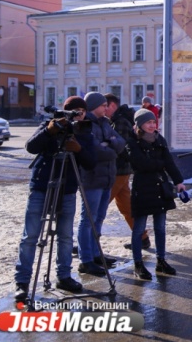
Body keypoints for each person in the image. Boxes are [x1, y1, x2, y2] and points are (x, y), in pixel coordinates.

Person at [14, 96, 98, 303]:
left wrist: (78, 149)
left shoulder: (84, 130)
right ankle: (22, 282)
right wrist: (50, 131)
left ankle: (64, 277)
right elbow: (31, 147)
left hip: (67, 189)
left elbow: (90, 163)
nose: (79, 115)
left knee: (65, 237)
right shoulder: (49, 125)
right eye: (75, 111)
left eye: (82, 111)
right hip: (42, 186)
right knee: (30, 236)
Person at [126, 109, 185, 280]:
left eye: (153, 122)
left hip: (160, 187)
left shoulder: (160, 139)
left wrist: (178, 181)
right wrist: (159, 164)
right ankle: (138, 264)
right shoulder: (132, 142)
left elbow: (169, 162)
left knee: (160, 227)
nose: (152, 125)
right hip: (143, 188)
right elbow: (141, 164)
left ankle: (161, 260)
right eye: (148, 122)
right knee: (139, 229)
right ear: (139, 125)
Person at [77, 92, 126, 276]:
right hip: (92, 179)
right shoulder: (86, 125)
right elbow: (95, 151)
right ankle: (86, 259)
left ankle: (96, 254)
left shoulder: (105, 123)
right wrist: (110, 148)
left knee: (98, 218)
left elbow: (121, 143)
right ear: (93, 106)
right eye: (103, 105)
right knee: (88, 219)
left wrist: (109, 144)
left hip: (107, 177)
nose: (107, 108)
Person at [104, 94, 151, 251]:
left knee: (100, 205)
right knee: (126, 206)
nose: (104, 110)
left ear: (112, 106)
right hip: (122, 170)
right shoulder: (119, 120)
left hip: (119, 170)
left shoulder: (121, 122)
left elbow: (120, 148)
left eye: (105, 106)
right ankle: (142, 237)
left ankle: (89, 241)